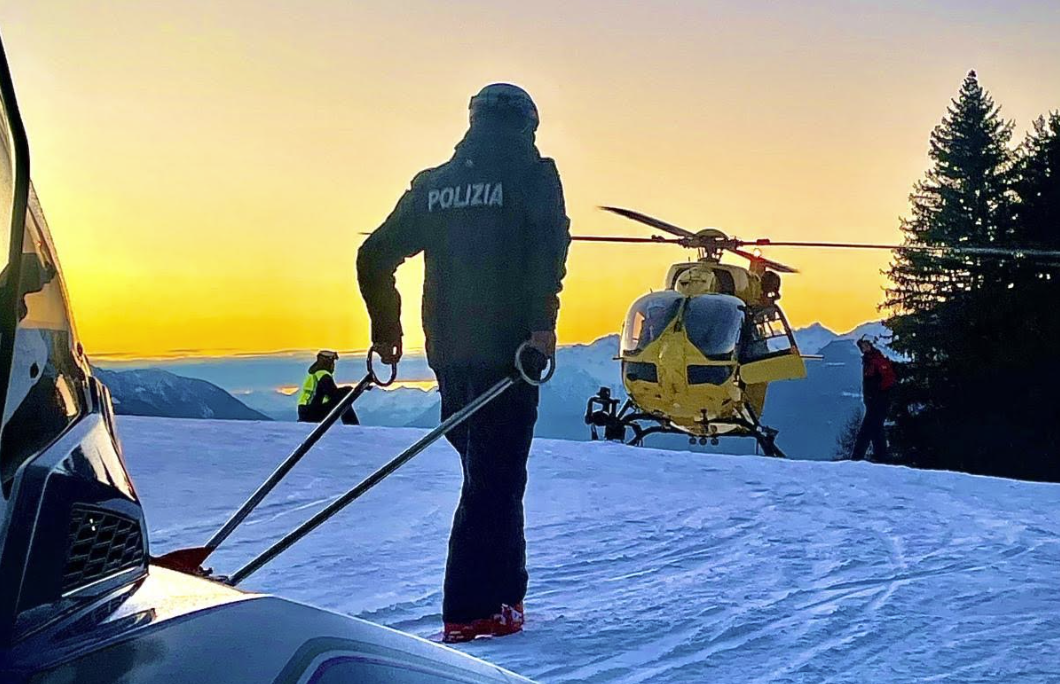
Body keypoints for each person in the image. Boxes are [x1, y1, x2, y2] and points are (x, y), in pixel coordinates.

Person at [357, 83, 570, 643]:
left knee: (489, 475)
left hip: (449, 353)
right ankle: (473, 609)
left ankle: (504, 598)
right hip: (509, 354)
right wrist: (542, 325)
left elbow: (373, 255)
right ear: (528, 126)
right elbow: (547, 250)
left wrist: (387, 330)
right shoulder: (534, 177)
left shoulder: (434, 186)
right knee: (494, 481)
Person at [850, 336, 895, 461]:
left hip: (878, 402)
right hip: (873, 402)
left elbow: (887, 379)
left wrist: (878, 393)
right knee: (876, 430)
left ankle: (856, 459)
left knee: (866, 431)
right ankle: (881, 458)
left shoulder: (877, 360)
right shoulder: (869, 360)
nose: (863, 348)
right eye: (862, 346)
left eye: (865, 345)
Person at [296, 350, 359, 425]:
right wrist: (350, 390)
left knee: (342, 396)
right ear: (328, 362)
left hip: (306, 411)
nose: (333, 365)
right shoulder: (322, 375)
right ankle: (352, 426)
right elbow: (333, 393)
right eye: (332, 362)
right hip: (313, 412)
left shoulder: (315, 374)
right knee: (343, 399)